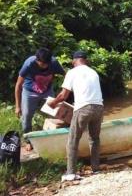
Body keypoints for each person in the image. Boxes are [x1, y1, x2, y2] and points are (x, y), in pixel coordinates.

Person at [48, 51, 103, 182]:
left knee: (73, 140)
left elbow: (63, 95)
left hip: (83, 108)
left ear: (74, 61)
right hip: (99, 107)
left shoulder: (72, 72)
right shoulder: (93, 72)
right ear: (86, 60)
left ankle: (71, 173)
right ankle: (96, 168)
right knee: (94, 139)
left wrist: (53, 103)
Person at [15, 48, 65, 150]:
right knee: (27, 116)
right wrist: (17, 106)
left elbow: (66, 75)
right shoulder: (29, 63)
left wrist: (65, 90)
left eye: (47, 63)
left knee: (55, 113)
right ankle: (28, 140)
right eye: (42, 64)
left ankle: (52, 138)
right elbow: (18, 85)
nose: (45, 66)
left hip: (47, 91)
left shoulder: (54, 62)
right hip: (30, 92)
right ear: (37, 60)